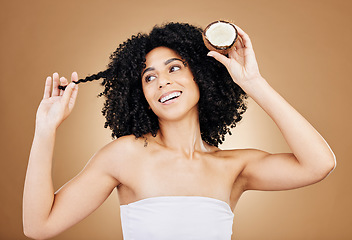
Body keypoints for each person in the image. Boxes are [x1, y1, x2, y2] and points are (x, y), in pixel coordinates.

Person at [23, 22, 336, 240]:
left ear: (199, 76)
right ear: (141, 95)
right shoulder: (124, 155)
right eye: (149, 77)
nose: (163, 82)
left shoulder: (234, 168)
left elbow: (319, 164)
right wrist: (44, 130)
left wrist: (254, 83)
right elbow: (39, 226)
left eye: (174, 68)